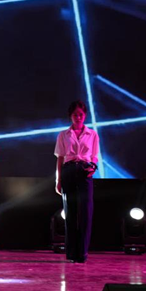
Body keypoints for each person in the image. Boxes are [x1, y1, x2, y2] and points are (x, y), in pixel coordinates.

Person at [55, 100, 99, 263]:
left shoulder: (92, 134)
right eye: (75, 115)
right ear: (70, 116)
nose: (78, 117)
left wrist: (93, 168)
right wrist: (58, 179)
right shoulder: (63, 135)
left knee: (86, 212)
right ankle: (72, 253)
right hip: (68, 170)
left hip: (84, 170)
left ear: (85, 115)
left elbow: (94, 156)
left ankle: (83, 253)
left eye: (81, 114)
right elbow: (60, 158)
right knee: (70, 212)